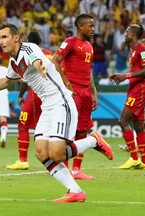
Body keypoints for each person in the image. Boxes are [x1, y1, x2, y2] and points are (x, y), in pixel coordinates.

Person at [0, 22, 114, 202]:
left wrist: (40, 66)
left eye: (5, 37)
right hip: (47, 108)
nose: (1, 41)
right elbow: (6, 82)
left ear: (16, 38)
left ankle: (93, 140)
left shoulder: (28, 48)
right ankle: (75, 191)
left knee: (57, 154)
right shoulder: (13, 62)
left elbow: (36, 60)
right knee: (41, 153)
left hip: (60, 101)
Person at [51, 14, 97, 180]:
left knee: (83, 129)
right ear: (80, 27)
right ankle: (66, 169)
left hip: (85, 92)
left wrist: (94, 92)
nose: (93, 29)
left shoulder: (89, 46)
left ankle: (77, 170)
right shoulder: (70, 42)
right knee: (70, 130)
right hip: (73, 91)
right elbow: (55, 61)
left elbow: (89, 70)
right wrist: (66, 83)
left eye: (93, 26)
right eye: (90, 26)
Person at [7, 31, 52, 170]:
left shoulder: (27, 52)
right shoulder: (50, 53)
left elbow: (26, 76)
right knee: (49, 128)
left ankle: (22, 160)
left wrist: (21, 95)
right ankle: (52, 156)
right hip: (51, 93)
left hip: (35, 94)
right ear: (41, 41)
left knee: (23, 125)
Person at [109, 23, 145, 170]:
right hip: (135, 89)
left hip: (139, 90)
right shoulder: (133, 50)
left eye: (127, 32)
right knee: (138, 125)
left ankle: (134, 157)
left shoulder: (142, 49)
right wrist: (120, 76)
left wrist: (126, 75)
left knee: (123, 121)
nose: (125, 35)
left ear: (133, 34)